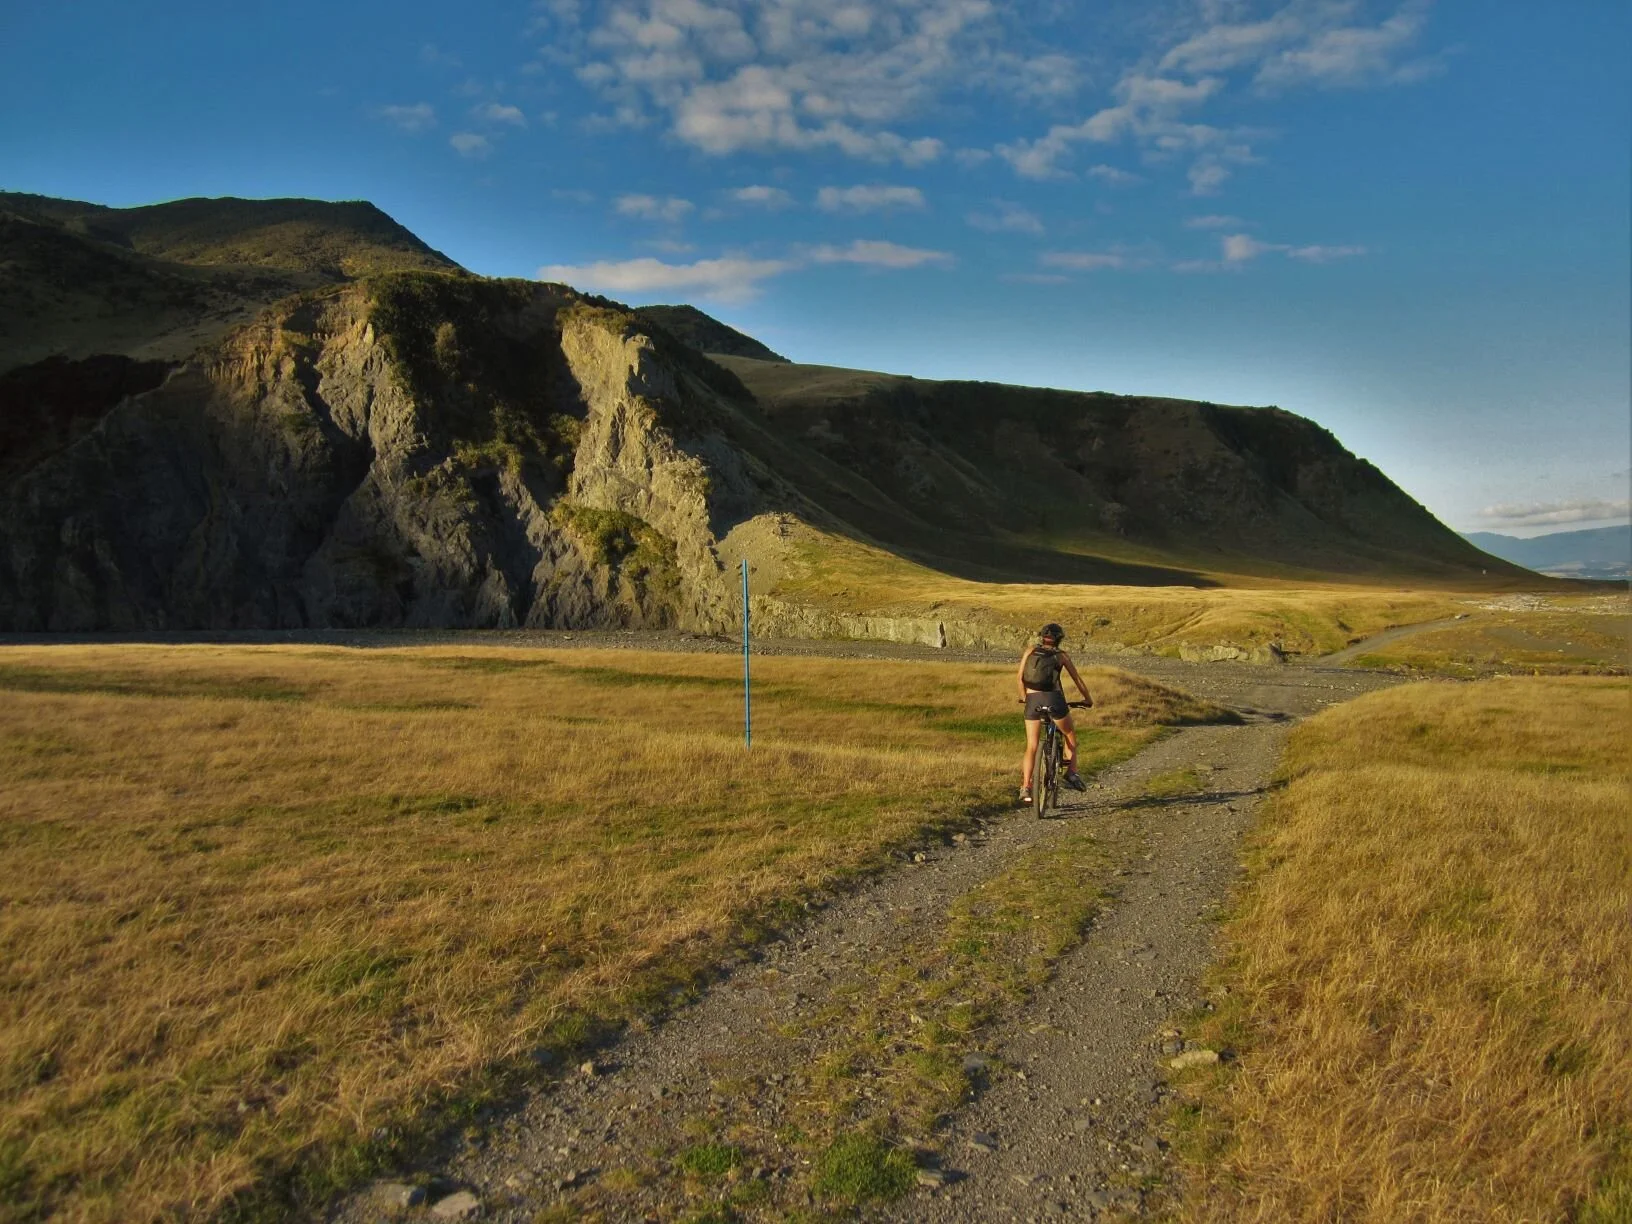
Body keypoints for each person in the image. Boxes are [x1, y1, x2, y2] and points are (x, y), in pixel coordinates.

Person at [1017, 622, 1093, 805]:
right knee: (1069, 734)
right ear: (1059, 639)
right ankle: (1072, 772)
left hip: (1032, 701)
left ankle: (1026, 786)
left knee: (1032, 745)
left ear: (1042, 637)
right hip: (1054, 700)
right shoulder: (1061, 656)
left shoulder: (1030, 651)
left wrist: (1024, 697)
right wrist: (1087, 699)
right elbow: (1078, 681)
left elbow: (1019, 677)